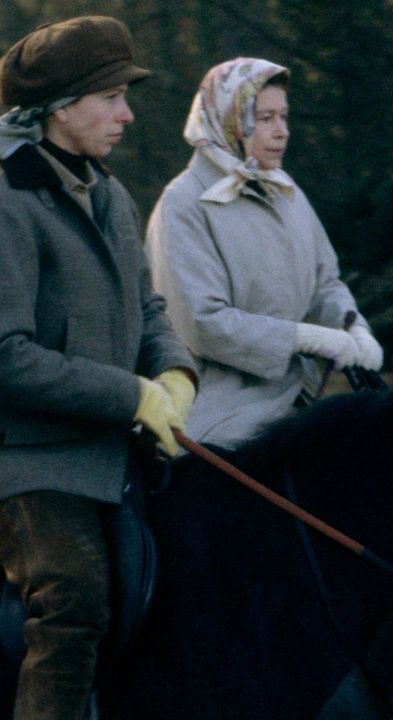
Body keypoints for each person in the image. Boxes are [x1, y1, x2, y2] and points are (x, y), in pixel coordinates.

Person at [0, 16, 197, 719]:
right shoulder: (6, 200)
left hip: (114, 454)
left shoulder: (108, 193)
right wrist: (131, 395)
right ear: (59, 107)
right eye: (110, 97)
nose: (127, 113)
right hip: (28, 464)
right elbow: (6, 357)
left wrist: (173, 374)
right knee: (75, 603)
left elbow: (146, 308)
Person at [146, 58, 382, 449]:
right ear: (226, 119)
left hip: (301, 397)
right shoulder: (182, 204)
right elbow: (202, 323)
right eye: (266, 118)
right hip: (222, 409)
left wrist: (352, 327)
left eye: (284, 117)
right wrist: (303, 337)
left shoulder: (285, 190)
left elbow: (326, 282)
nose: (281, 132)